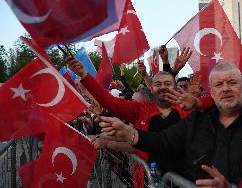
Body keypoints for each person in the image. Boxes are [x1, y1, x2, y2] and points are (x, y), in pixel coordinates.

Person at [98, 62, 242, 187]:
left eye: (232, 83)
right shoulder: (196, 120)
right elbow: (163, 141)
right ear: (211, 91)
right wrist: (130, 133)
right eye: (219, 85)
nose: (226, 88)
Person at [67, 55, 206, 174]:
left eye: (167, 83)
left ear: (174, 87)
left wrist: (197, 100)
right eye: (158, 84)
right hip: (149, 179)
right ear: (152, 88)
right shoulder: (140, 109)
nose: (163, 87)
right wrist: (84, 75)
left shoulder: (188, 108)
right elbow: (109, 101)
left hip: (183, 179)